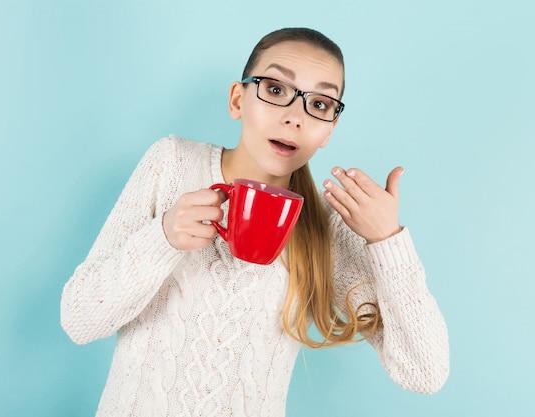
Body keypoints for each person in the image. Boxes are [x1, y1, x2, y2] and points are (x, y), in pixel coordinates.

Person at [60, 27, 449, 416]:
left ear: (329, 129)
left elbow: (425, 373)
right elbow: (79, 320)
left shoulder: (326, 228)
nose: (295, 117)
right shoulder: (172, 165)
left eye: (320, 103)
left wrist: (388, 241)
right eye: (276, 89)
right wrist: (161, 238)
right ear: (237, 99)